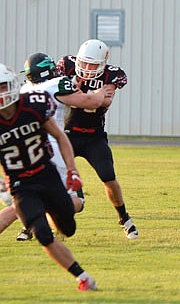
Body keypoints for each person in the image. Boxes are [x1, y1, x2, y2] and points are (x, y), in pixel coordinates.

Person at [0, 63, 97, 290]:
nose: (3, 93)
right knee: (43, 234)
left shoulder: (32, 105)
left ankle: (43, 208)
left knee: (68, 228)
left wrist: (72, 170)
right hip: (20, 185)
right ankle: (82, 277)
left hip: (47, 175)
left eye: (4, 86)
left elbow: (60, 137)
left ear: (13, 84)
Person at [13, 52, 110, 241]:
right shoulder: (57, 84)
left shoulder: (25, 89)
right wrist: (100, 94)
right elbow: (90, 102)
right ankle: (39, 213)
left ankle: (29, 226)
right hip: (53, 149)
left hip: (29, 149)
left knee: (30, 192)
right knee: (76, 201)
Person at [56, 39, 138, 240]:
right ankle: (33, 222)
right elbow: (67, 96)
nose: (86, 68)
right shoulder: (66, 65)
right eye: (84, 63)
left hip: (94, 136)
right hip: (67, 134)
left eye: (92, 64)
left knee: (109, 177)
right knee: (51, 176)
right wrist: (94, 95)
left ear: (102, 63)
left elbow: (105, 101)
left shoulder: (113, 75)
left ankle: (124, 217)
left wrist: (84, 95)